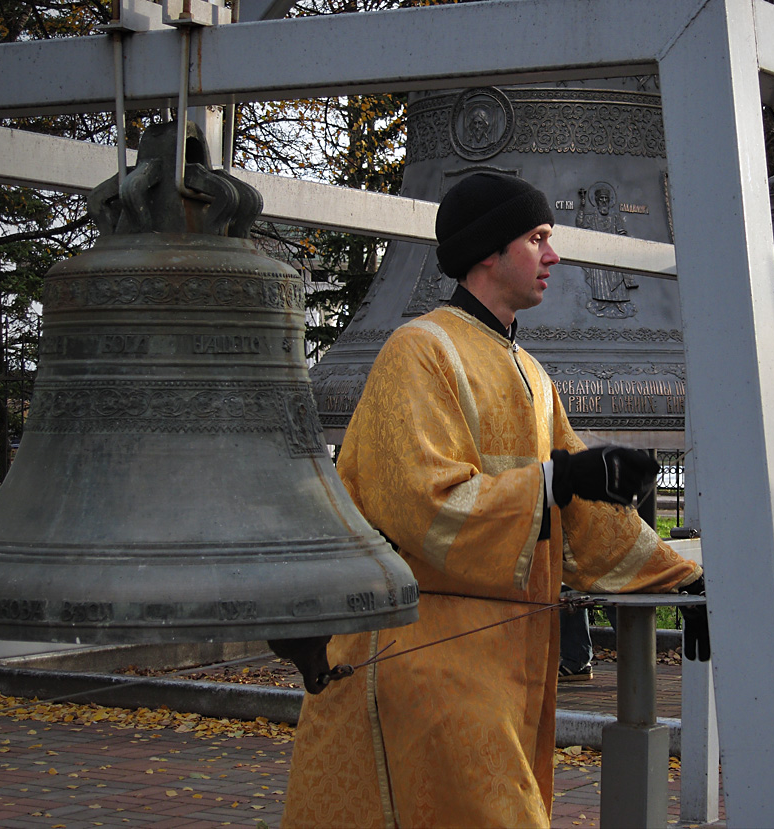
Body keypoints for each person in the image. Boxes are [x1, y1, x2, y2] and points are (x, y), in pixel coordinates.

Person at [281, 172, 706, 828]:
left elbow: (587, 522)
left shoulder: (532, 376)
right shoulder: (418, 351)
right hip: (426, 667)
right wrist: (559, 478)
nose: (554, 256)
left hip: (501, 670)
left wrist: (682, 580)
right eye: (537, 238)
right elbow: (424, 506)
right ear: (487, 251)